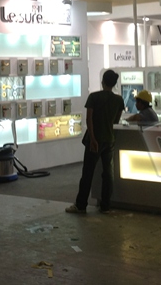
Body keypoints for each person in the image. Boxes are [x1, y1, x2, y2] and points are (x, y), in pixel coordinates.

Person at [66, 70, 124, 214]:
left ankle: (81, 205)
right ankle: (105, 205)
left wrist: (92, 138)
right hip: (109, 140)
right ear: (114, 84)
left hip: (95, 140)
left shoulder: (93, 97)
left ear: (102, 81)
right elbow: (116, 121)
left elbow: (89, 120)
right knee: (108, 174)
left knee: (87, 173)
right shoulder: (118, 100)